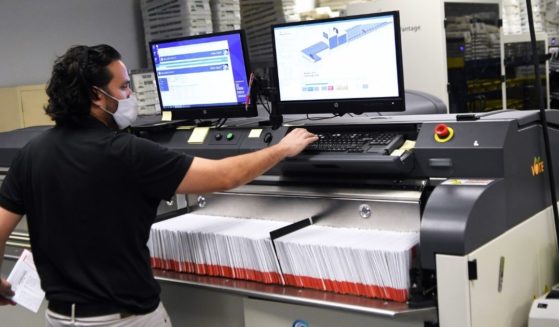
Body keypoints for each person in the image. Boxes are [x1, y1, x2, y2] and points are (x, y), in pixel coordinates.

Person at [0, 44, 317, 326]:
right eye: (124, 87)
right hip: (124, 319)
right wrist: (281, 149)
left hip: (58, 317)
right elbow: (224, 176)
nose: (130, 96)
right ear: (97, 95)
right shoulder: (127, 152)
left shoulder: (32, 153)